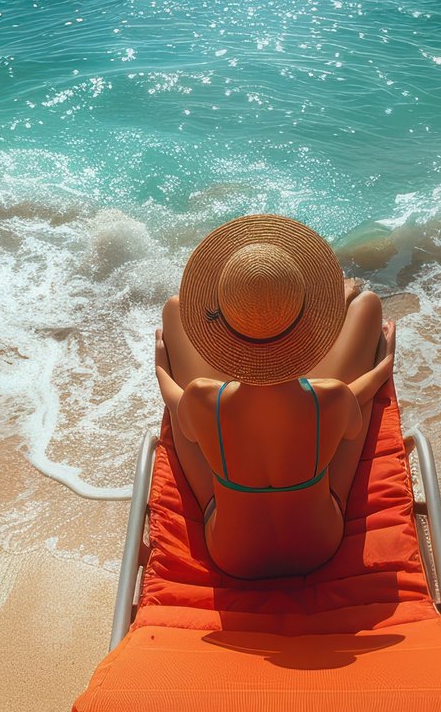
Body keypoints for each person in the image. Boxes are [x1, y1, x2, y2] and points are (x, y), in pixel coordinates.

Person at [153, 214, 395, 579]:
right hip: (320, 548)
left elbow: (174, 399)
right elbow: (352, 395)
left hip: (231, 556)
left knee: (174, 312)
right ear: (310, 323)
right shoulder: (329, 398)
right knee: (369, 306)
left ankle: (253, 344)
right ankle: (332, 309)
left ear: (221, 335)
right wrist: (383, 366)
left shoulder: (204, 398)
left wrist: (160, 366)